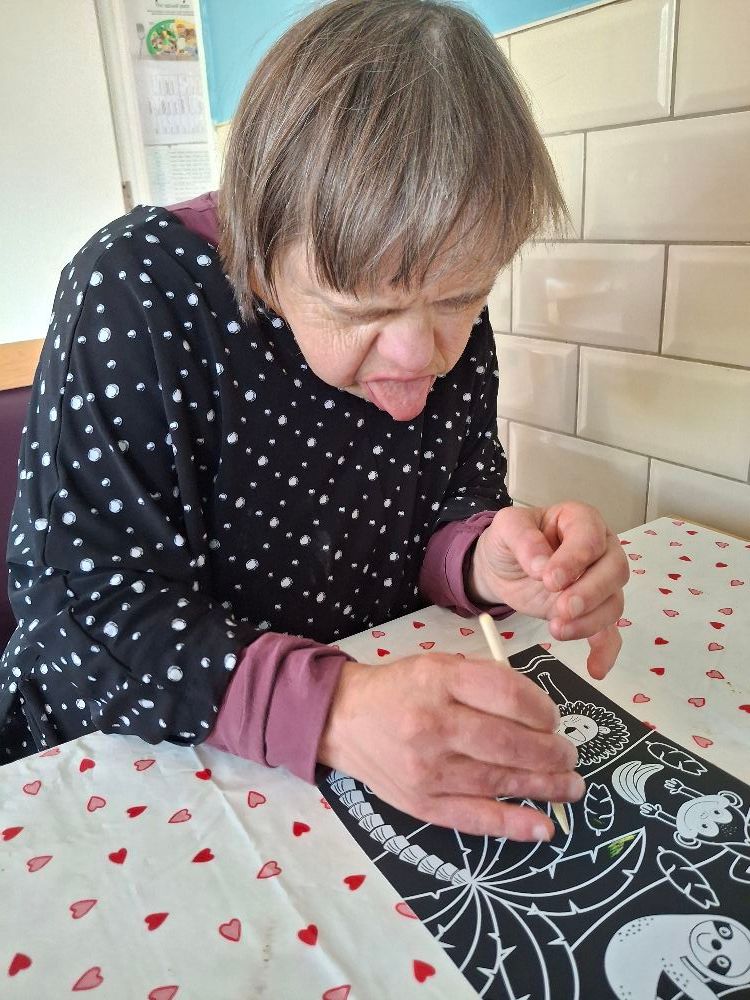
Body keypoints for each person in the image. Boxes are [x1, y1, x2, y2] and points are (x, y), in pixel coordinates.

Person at [0, 0, 628, 842]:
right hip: (113, 768)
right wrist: (334, 708)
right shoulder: (139, 289)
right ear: (258, 250)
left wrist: (487, 556)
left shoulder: (442, 316)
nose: (418, 360)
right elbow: (84, 619)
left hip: (334, 776)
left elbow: (451, 502)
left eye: (459, 297)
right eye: (356, 305)